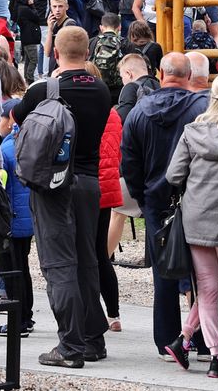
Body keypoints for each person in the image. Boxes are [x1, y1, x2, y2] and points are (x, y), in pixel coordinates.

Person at [14, 25, 111, 368]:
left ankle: (70, 346)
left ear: (55, 53)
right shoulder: (101, 90)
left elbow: (17, 118)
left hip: (53, 185)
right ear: (88, 53)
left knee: (59, 264)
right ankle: (93, 338)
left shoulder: (43, 90)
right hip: (89, 183)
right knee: (86, 260)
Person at [121, 52, 211, 359]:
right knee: (203, 272)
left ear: (161, 73)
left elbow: (129, 161)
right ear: (189, 76)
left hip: (156, 199)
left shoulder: (139, 112)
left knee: (163, 270)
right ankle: (203, 338)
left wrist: (143, 196)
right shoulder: (201, 109)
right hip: (196, 199)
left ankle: (167, 338)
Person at [162, 73, 218, 378]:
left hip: (196, 217)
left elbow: (174, 175)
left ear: (212, 97)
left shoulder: (193, 130)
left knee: (208, 286)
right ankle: (217, 354)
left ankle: (185, 338)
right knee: (214, 286)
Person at [0, 105, 36, 338]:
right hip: (27, 217)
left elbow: (1, 188)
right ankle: (26, 316)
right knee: (22, 268)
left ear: (10, 120)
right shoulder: (27, 142)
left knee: (10, 270)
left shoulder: (7, 148)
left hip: (12, 219)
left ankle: (17, 321)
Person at [97, 83, 124, 335]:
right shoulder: (114, 115)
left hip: (89, 182)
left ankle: (92, 311)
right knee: (101, 254)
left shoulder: (83, 109)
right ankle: (113, 313)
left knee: (85, 253)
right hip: (108, 184)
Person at [43, 0, 81, 76]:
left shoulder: (69, 24)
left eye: (60, 6)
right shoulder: (54, 24)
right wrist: (50, 29)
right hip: (54, 69)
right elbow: (47, 52)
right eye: (54, 6)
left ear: (66, 7)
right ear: (50, 7)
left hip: (64, 72)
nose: (57, 10)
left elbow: (69, 53)